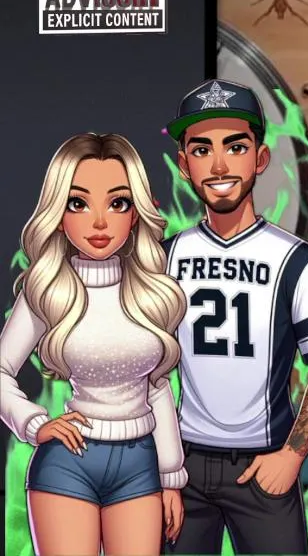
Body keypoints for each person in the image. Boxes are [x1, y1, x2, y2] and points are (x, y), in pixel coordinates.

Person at [162, 80, 308, 556]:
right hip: (182, 465)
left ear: (260, 158)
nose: (219, 165)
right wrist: (159, 467)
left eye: (235, 147)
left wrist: (292, 455)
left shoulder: (301, 261)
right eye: (202, 150)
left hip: (264, 464)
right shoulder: (162, 258)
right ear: (184, 165)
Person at [0, 133, 188, 555]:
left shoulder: (153, 292)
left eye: (117, 203)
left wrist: (171, 478)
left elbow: (157, 386)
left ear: (136, 213)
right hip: (67, 462)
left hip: (140, 464)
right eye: (78, 203)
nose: (100, 222)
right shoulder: (48, 290)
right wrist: (33, 423)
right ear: (58, 214)